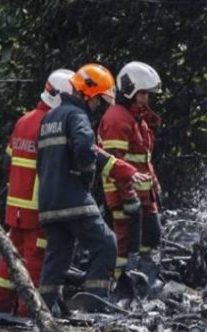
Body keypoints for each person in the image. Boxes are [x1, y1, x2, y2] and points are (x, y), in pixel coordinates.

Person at [36, 63, 146, 313]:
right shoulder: (77, 116)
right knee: (106, 244)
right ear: (89, 95)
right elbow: (87, 151)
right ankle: (95, 309)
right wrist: (86, 175)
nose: (99, 107)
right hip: (73, 197)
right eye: (99, 102)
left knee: (57, 258)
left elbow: (41, 163)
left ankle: (42, 312)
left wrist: (124, 170)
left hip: (49, 203)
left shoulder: (49, 118)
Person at [0, 69, 74, 316]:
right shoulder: (52, 126)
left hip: (15, 208)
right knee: (36, 264)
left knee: (9, 263)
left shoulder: (23, 120)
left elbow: (8, 161)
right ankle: (29, 316)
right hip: (38, 210)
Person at [98, 61, 163, 280]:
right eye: (143, 93)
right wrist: (128, 196)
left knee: (151, 237)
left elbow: (144, 160)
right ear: (130, 90)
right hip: (124, 195)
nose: (147, 98)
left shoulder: (138, 120)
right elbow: (116, 163)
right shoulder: (117, 118)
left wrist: (155, 186)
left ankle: (142, 278)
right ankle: (120, 284)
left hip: (143, 195)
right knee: (125, 244)